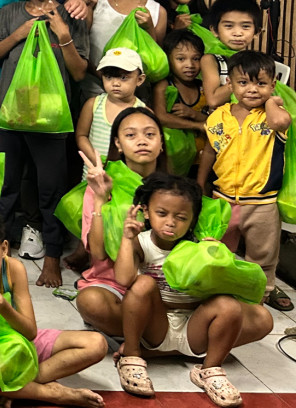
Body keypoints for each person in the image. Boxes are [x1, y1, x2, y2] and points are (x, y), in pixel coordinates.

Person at [114, 172, 272, 405]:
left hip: (194, 328)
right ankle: (132, 354)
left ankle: (209, 370)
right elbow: (124, 279)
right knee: (143, 283)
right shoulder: (141, 241)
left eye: (181, 217)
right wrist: (127, 239)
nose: (170, 222)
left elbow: (229, 289)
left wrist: (217, 258)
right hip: (155, 326)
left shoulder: (200, 245)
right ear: (146, 211)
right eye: (161, 213)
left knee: (230, 306)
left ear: (193, 219)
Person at [0, 0, 89, 287]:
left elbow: (78, 72)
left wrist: (64, 36)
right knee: (6, 189)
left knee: (51, 191)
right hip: (11, 116)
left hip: (52, 120)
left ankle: (53, 259)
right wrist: (18, 34)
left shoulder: (71, 16)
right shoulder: (11, 12)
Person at [0, 207, 107, 408]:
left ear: (4, 248)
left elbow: (30, 332)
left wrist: (4, 308)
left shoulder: (14, 269)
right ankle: (52, 393)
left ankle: (17, 389)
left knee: (97, 343)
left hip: (22, 342)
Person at [198, 50, 292, 311]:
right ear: (230, 84)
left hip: (262, 203)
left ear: (273, 85)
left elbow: (281, 121)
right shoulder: (218, 117)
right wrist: (200, 182)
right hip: (223, 199)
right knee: (219, 251)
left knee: (262, 256)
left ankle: (259, 297)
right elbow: (209, 151)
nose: (252, 89)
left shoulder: (271, 116)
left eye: (261, 83)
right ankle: (221, 293)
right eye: (243, 82)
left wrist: (272, 101)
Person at [75, 108, 165, 337]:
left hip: (162, 284)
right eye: (131, 135)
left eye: (150, 134)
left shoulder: (173, 188)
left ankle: (146, 339)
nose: (142, 141)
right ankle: (153, 338)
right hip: (113, 284)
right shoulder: (102, 184)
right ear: (118, 143)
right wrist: (100, 199)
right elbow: (98, 252)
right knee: (90, 301)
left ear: (161, 143)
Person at [86, 0, 166, 97]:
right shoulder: (95, 4)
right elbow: (82, 50)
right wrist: (104, 78)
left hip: (137, 97)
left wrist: (149, 27)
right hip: (94, 93)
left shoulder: (157, 12)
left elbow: (155, 62)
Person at [75, 48, 147, 165]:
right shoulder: (93, 104)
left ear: (139, 79)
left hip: (128, 173)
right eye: (108, 77)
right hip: (94, 172)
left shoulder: (144, 113)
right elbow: (81, 135)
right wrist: (96, 160)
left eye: (123, 77)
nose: (115, 83)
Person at [200, 0, 262, 109]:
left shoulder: (256, 60)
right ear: (214, 30)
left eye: (245, 26)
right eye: (228, 26)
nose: (237, 33)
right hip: (222, 118)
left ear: (257, 32)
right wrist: (244, 79)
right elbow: (213, 100)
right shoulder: (211, 60)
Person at [153, 30, 209, 156]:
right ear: (168, 58)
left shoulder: (204, 87)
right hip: (177, 159)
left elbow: (217, 120)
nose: (190, 65)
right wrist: (197, 125)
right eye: (181, 59)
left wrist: (193, 114)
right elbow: (161, 117)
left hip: (205, 158)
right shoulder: (165, 86)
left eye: (196, 59)